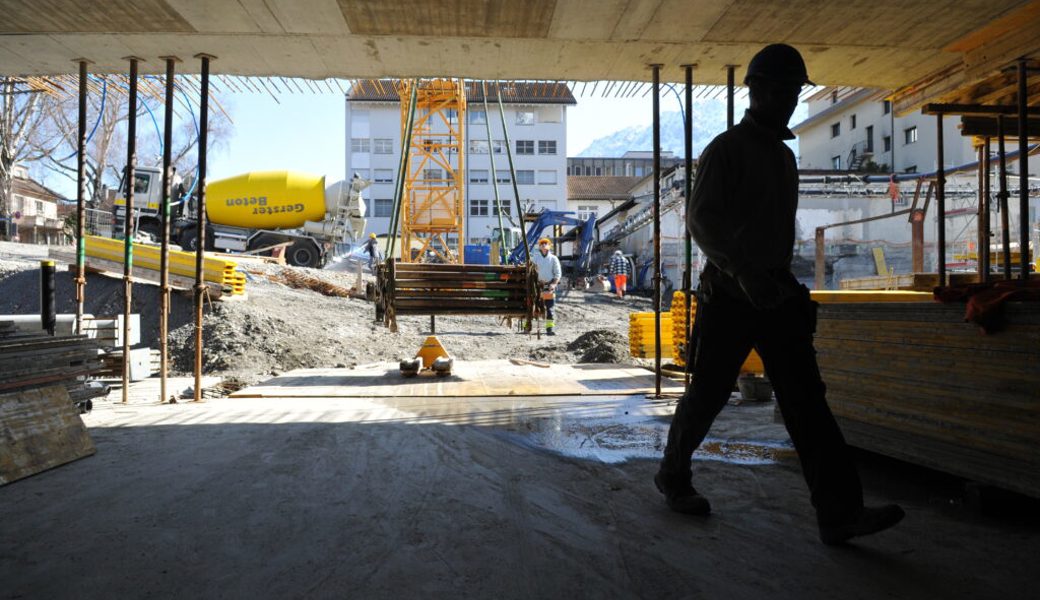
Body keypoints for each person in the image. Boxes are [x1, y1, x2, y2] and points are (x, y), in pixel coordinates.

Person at [654, 43, 904, 545]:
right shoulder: (725, 150)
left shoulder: (783, 157)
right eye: (784, 90)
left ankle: (839, 513)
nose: (790, 100)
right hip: (729, 293)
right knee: (707, 394)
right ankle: (673, 476)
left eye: (795, 91)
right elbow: (702, 221)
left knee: (807, 401)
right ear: (758, 90)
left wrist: (772, 278)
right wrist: (743, 271)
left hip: (773, 293)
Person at [531, 237, 562, 336]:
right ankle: (527, 326)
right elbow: (530, 270)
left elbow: (557, 274)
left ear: (549, 246)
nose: (544, 245)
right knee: (530, 307)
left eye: (546, 243)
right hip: (537, 286)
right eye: (542, 244)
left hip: (548, 286)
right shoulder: (535, 258)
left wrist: (553, 284)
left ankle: (549, 328)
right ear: (539, 247)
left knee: (550, 309)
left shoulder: (553, 259)